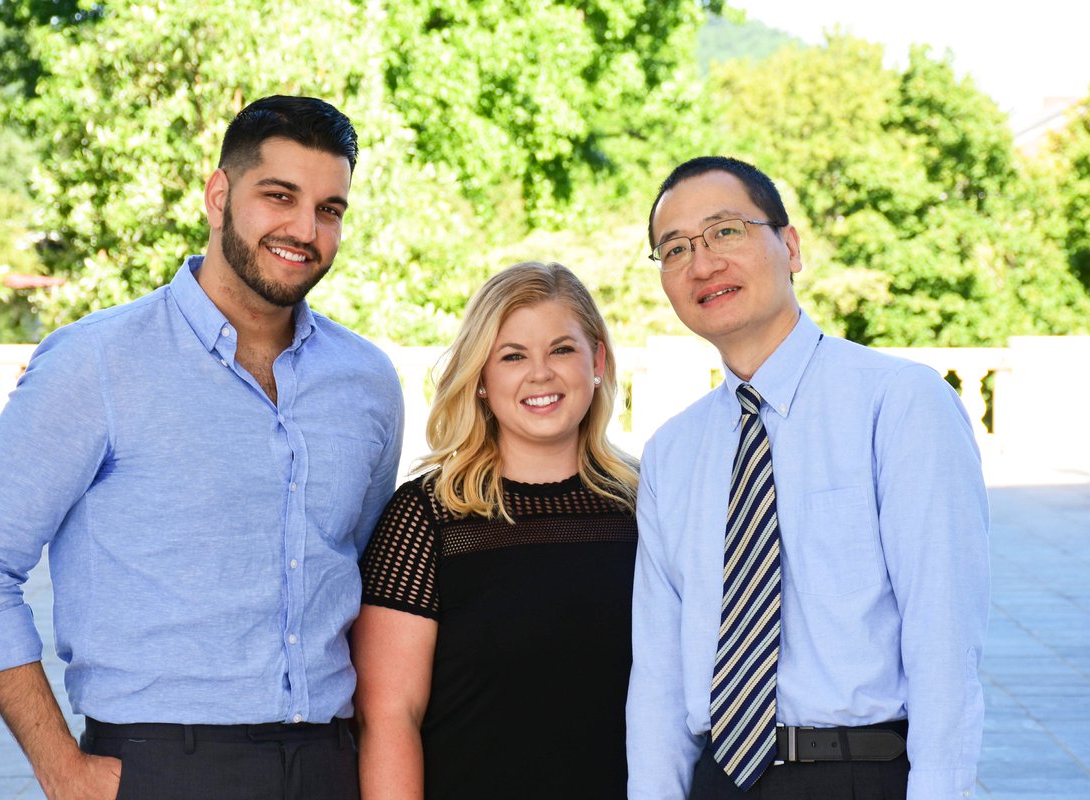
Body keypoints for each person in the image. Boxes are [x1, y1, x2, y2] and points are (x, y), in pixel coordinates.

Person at [0, 95, 405, 800]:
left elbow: (360, 577)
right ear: (219, 195)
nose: (304, 229)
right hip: (160, 768)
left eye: (330, 208)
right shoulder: (94, 363)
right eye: (278, 196)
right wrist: (61, 769)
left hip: (328, 767)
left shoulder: (366, 383)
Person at [626, 156, 990, 800]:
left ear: (790, 246)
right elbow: (656, 677)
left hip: (857, 772)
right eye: (674, 248)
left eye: (726, 231)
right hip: (719, 778)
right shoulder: (670, 452)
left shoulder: (900, 403)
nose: (702, 263)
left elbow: (944, 639)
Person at [351, 261, 638, 800]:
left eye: (562, 349)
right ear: (481, 377)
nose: (541, 374)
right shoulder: (426, 517)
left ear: (597, 360)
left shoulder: (648, 507)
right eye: (512, 356)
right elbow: (388, 717)